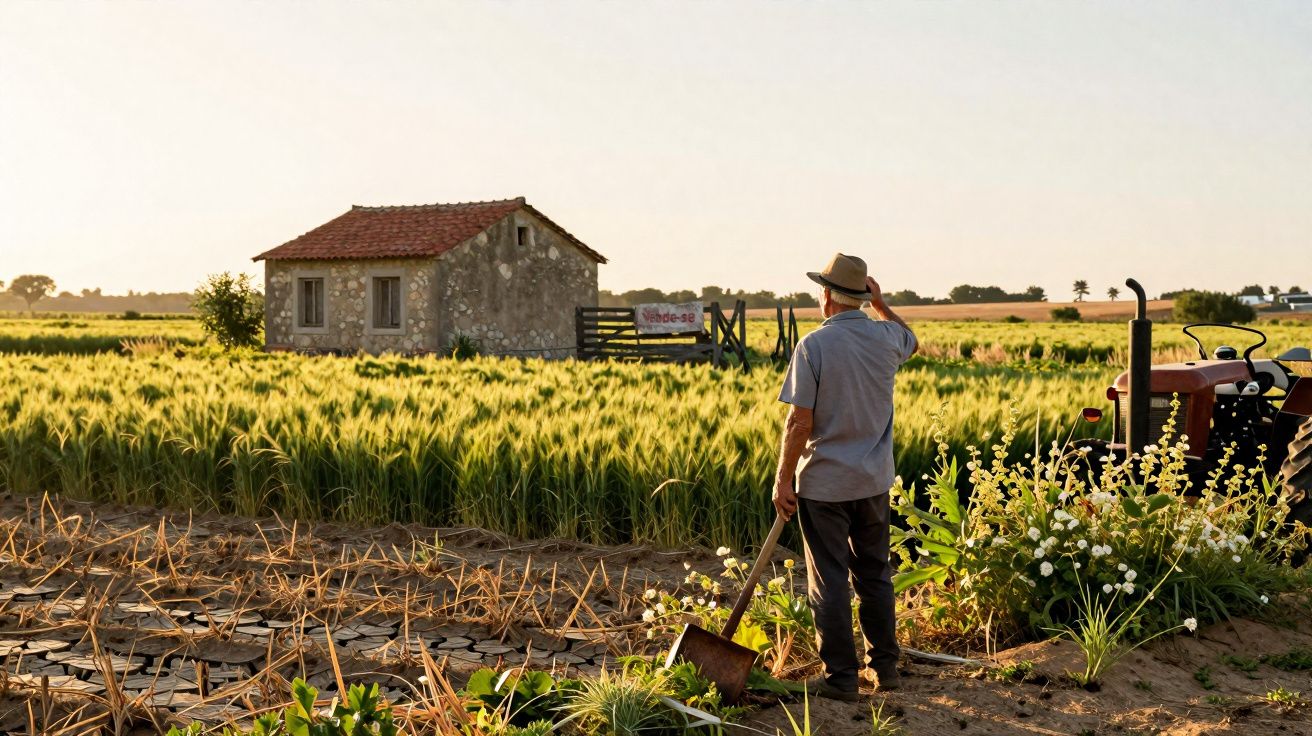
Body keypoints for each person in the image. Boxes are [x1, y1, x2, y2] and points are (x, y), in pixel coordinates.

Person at [773, 252, 918, 700]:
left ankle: (840, 679)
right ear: (861, 297)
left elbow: (800, 422)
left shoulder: (813, 346)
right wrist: (881, 304)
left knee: (830, 579)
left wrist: (783, 478)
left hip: (825, 485)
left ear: (826, 298)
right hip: (874, 482)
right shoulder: (887, 337)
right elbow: (912, 338)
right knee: (875, 574)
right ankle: (886, 670)